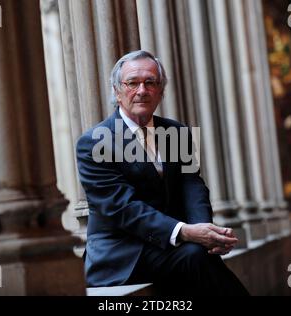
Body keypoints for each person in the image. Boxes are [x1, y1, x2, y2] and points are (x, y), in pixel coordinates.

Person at [76, 50, 249, 296]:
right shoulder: (94, 143)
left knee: (197, 255)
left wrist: (204, 228)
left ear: (161, 90)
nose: (142, 90)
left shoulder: (177, 132)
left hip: (169, 247)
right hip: (123, 255)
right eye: (132, 83)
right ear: (117, 91)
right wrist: (185, 232)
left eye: (150, 82)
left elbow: (192, 184)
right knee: (194, 257)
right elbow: (122, 207)